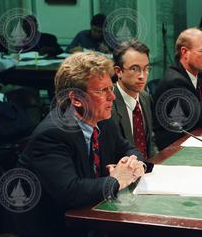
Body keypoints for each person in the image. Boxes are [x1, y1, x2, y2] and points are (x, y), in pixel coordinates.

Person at [15, 52, 150, 237]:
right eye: (102, 91)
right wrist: (117, 180)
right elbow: (70, 192)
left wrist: (135, 164)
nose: (112, 97)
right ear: (76, 99)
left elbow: (128, 149)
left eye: (111, 88)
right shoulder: (51, 134)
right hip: (57, 227)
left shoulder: (102, 119)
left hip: (94, 218)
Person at [153, 28, 202, 149]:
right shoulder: (175, 82)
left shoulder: (200, 75)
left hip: (196, 139)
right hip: (174, 149)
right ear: (185, 52)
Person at [112, 40, 158, 158]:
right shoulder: (108, 104)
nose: (142, 76)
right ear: (118, 71)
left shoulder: (145, 97)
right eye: (134, 69)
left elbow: (150, 142)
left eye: (146, 69)